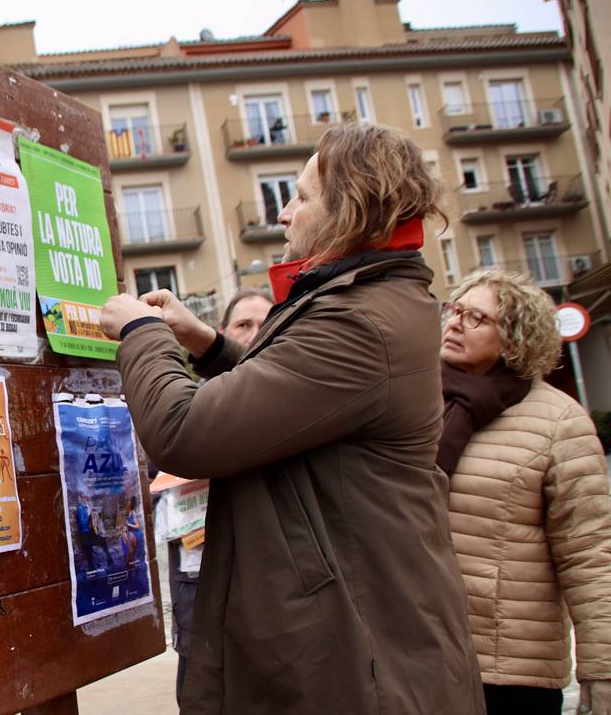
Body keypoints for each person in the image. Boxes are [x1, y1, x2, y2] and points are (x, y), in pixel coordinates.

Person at [100, 122, 482, 714]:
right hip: (359, 641)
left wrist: (140, 333)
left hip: (359, 660)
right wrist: (206, 342)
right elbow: (302, 400)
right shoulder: (369, 300)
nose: (284, 213)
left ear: (350, 212)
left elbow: (183, 431)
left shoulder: (358, 321)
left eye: (302, 197)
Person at [438, 270, 611, 715]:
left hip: (510, 668)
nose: (454, 323)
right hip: (423, 656)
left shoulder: (559, 424)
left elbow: (589, 554)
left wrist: (602, 667)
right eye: (453, 310)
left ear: (515, 337)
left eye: (476, 317)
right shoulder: (416, 402)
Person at [157, 288, 274, 704]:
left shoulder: (290, 405)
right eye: (244, 325)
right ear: (220, 332)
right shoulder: (186, 402)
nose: (255, 334)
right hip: (195, 594)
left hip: (265, 610)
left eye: (265, 324)